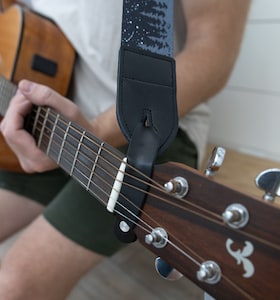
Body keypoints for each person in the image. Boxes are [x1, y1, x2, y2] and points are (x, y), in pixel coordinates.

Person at [0, 0, 251, 299]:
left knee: (13, 287)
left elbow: (214, 53)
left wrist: (96, 130)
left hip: (150, 135)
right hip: (49, 125)